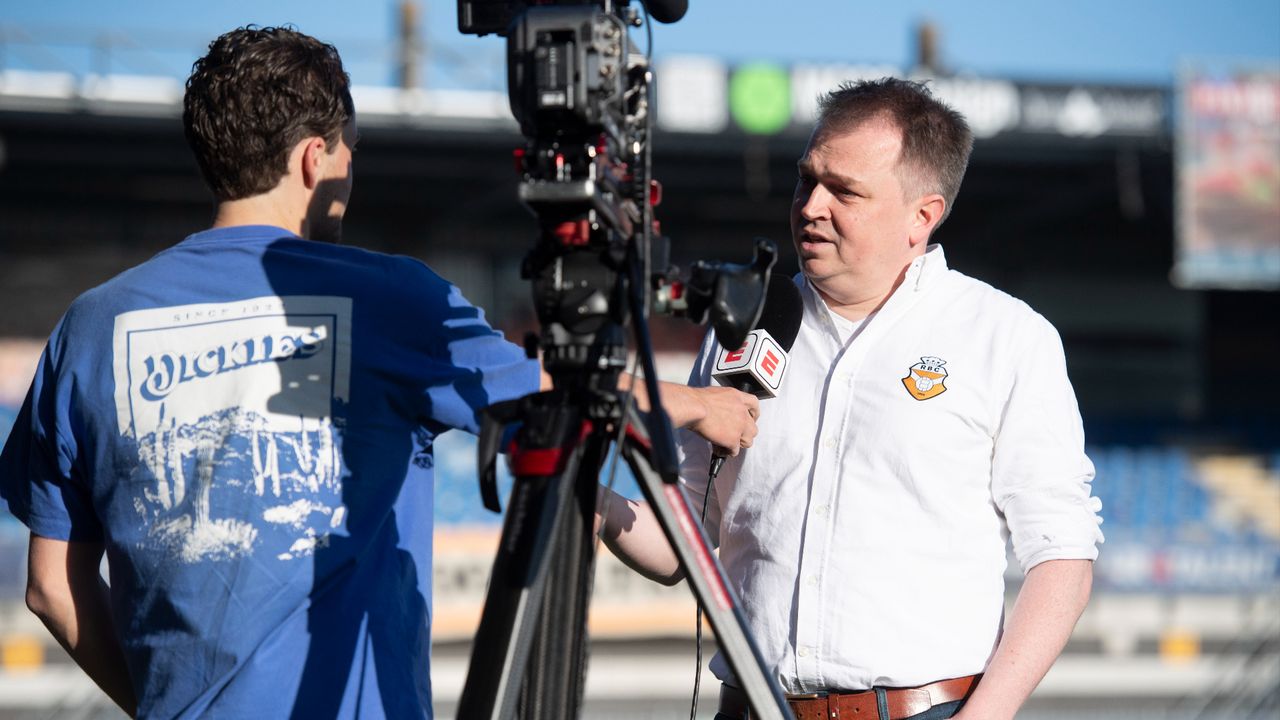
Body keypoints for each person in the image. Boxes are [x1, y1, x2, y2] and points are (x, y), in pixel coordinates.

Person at [0, 26, 758, 719]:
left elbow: (50, 587)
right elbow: (559, 394)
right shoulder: (391, 298)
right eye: (348, 151)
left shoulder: (90, 325)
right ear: (313, 158)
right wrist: (697, 405)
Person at [598, 78, 1104, 720]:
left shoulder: (1005, 337)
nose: (811, 205)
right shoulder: (743, 328)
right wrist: (587, 494)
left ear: (923, 215)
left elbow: (1062, 558)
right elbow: (684, 544)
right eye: (807, 180)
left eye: (845, 191)